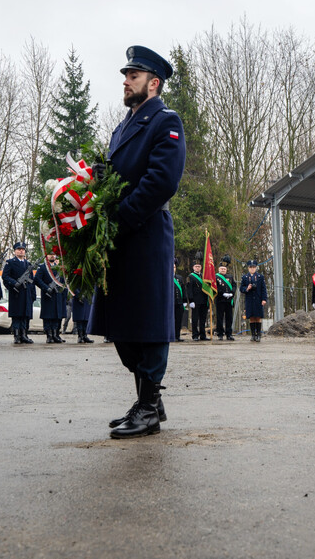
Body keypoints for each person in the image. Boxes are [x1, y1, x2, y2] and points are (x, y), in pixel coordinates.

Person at [87, 45, 185, 440]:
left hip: (143, 234)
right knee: (123, 326)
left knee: (147, 325)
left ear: (153, 83)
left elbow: (162, 181)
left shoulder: (165, 121)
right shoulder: (123, 125)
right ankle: (150, 398)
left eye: (133, 75)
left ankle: (148, 409)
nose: (125, 81)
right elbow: (121, 175)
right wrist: (99, 175)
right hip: (119, 238)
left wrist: (121, 218)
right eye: (126, 75)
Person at [2, 242, 36, 345]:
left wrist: (32, 294)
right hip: (16, 293)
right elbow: (5, 276)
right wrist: (14, 283)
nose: (21, 251)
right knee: (17, 316)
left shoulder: (28, 264)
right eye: (19, 249)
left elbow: (31, 280)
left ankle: (24, 335)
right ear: (15, 251)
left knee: (25, 316)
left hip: (26, 294)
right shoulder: (10, 263)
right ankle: (17, 336)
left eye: (23, 249)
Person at [35, 254, 68, 344]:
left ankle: (55, 334)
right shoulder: (42, 267)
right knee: (48, 317)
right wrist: (46, 288)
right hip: (48, 296)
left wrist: (63, 294)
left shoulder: (59, 268)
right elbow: (37, 279)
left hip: (58, 296)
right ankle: (49, 336)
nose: (52, 256)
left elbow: (64, 282)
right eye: (50, 254)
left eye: (53, 254)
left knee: (57, 317)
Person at [240, 259, 268, 341]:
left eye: (253, 267)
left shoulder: (260, 277)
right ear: (248, 268)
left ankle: (259, 335)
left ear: (256, 268)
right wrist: (247, 288)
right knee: (251, 317)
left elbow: (263, 289)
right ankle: (253, 335)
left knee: (258, 317)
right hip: (249, 300)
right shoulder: (245, 277)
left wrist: (264, 299)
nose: (252, 269)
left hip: (258, 299)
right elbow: (241, 288)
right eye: (250, 267)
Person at [185, 258, 210, 341]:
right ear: (193, 267)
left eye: (199, 266)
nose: (198, 268)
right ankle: (195, 335)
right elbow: (189, 290)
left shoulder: (204, 276)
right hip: (195, 301)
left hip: (204, 300)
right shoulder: (190, 277)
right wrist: (191, 300)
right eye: (196, 266)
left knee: (203, 319)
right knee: (195, 319)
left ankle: (203, 335)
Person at [214, 256, 236, 340]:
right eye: (221, 269)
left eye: (224, 269)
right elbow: (215, 287)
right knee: (220, 317)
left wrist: (231, 293)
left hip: (229, 300)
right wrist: (222, 293)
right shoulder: (216, 277)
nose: (223, 270)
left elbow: (234, 285)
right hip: (220, 299)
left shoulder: (230, 277)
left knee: (229, 317)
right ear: (219, 269)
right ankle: (220, 334)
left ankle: (229, 334)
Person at [172, 257, 187, 342]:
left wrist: (184, 301)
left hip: (179, 302)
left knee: (178, 320)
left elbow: (183, 290)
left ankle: (177, 336)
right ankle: (171, 336)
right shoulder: (166, 277)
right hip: (170, 303)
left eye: (174, 267)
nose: (173, 268)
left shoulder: (179, 278)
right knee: (171, 320)